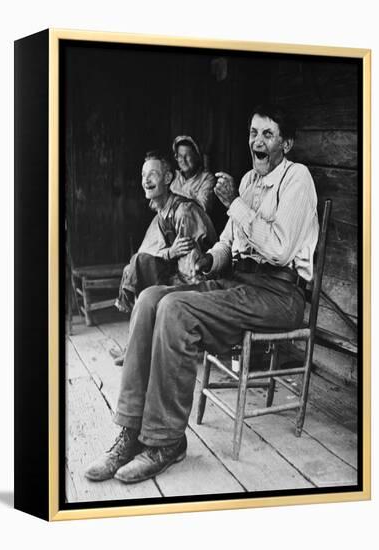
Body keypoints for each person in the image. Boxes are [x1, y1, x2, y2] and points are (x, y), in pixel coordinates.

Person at [85, 104, 319, 484]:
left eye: (267, 135)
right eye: (253, 133)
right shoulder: (247, 181)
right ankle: (130, 432)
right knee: (149, 300)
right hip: (240, 283)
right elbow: (231, 240)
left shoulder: (297, 180)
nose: (256, 141)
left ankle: (166, 441)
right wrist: (208, 260)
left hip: (279, 294)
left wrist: (234, 206)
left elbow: (277, 248)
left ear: (286, 144)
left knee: (176, 309)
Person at [114, 151, 217, 315]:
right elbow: (147, 252)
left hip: (202, 284)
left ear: (168, 178)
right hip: (179, 274)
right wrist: (170, 253)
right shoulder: (162, 212)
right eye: (143, 175)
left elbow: (191, 272)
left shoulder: (184, 211)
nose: (146, 180)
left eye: (152, 174)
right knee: (137, 263)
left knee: (145, 278)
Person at [170, 135, 215, 213]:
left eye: (187, 156)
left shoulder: (207, 178)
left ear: (196, 157)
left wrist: (175, 200)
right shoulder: (173, 176)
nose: (183, 160)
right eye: (180, 156)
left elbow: (203, 207)